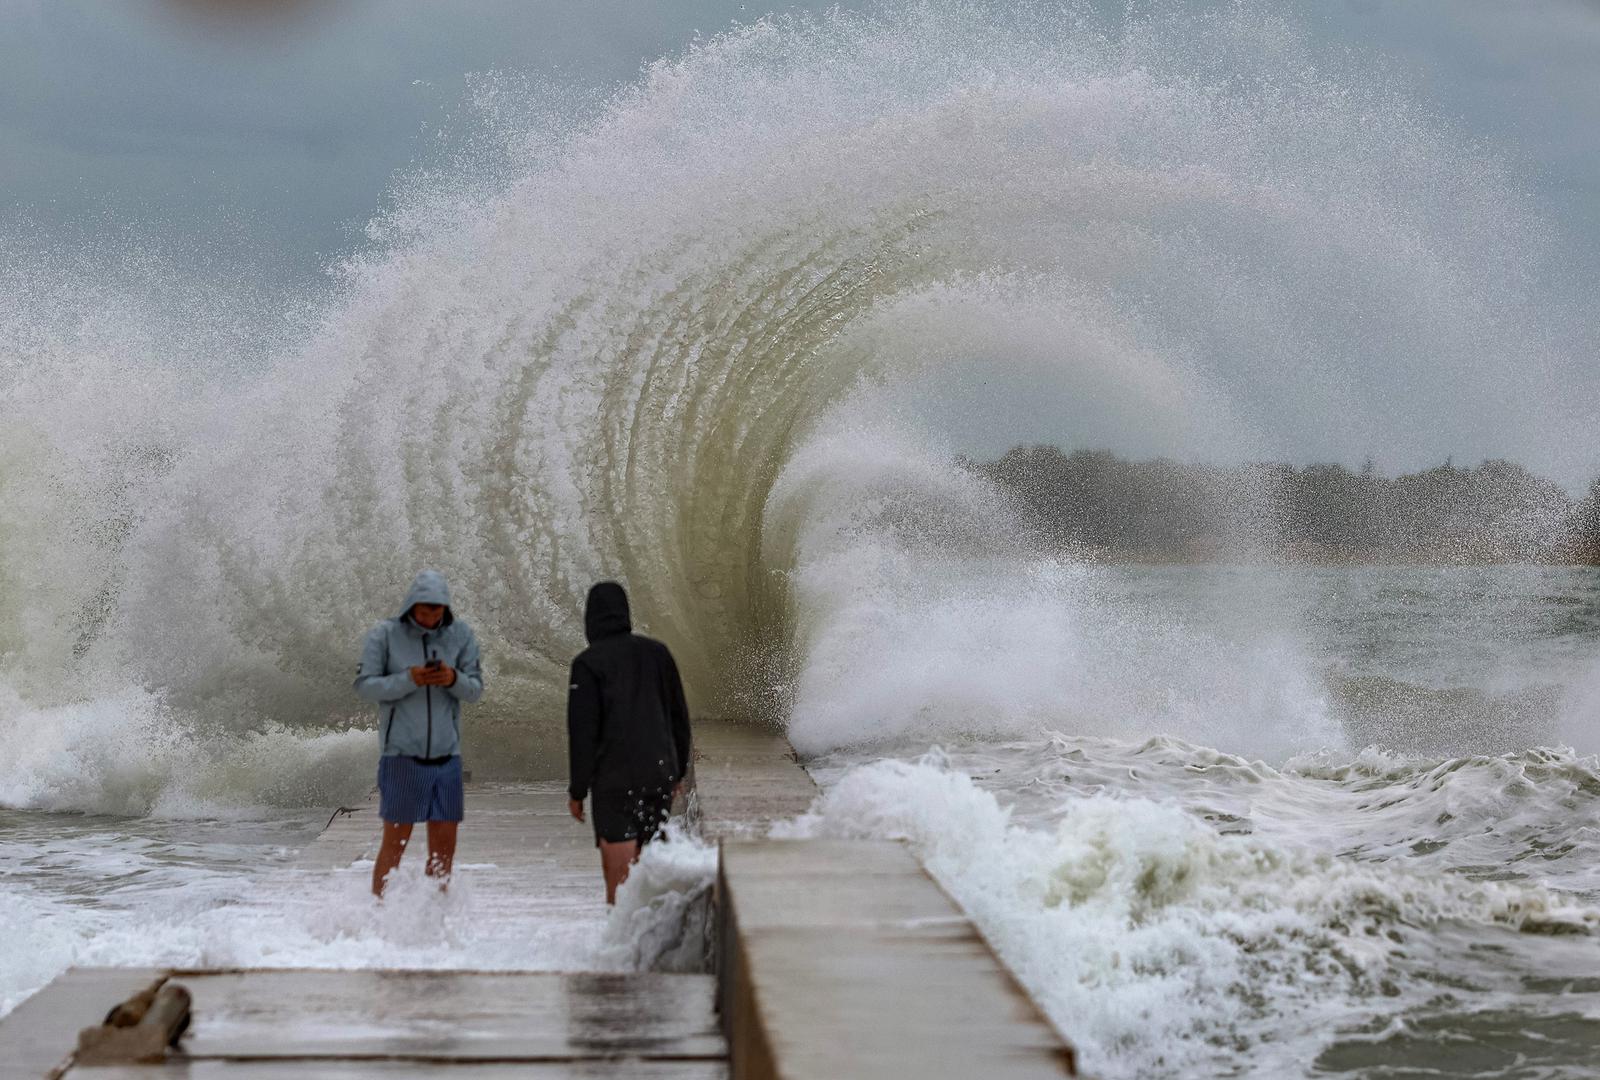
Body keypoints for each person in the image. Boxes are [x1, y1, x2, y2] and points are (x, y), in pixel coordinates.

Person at [354, 570, 484, 897]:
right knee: (394, 844)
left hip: (447, 758)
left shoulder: (461, 635)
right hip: (401, 756)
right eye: (425, 609)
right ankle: (380, 912)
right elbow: (365, 686)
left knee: (444, 851)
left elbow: (475, 690)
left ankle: (435, 915)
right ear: (412, 605)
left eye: (437, 610)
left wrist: (452, 679)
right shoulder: (384, 635)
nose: (431, 616)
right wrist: (409, 678)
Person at [566, 581, 692, 904]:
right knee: (651, 877)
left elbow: (583, 733)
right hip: (658, 776)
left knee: (621, 891)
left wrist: (578, 790)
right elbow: (678, 717)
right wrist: (677, 773)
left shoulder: (587, 664)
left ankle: (623, 950)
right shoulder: (658, 654)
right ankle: (653, 947)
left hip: (614, 784)